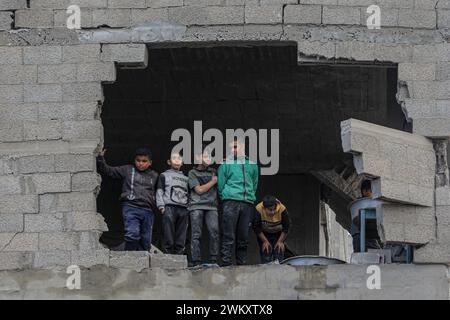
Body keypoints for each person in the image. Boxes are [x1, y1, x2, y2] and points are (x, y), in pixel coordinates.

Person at [96, 147, 158, 251]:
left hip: (148, 210)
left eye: (144, 161)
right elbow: (109, 171)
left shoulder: (155, 176)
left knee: (146, 240)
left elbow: (161, 192)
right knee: (132, 233)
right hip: (131, 207)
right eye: (138, 160)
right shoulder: (128, 170)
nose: (141, 163)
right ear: (134, 160)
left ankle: (143, 260)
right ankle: (131, 256)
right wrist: (100, 159)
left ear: (150, 162)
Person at [217, 139, 259, 266]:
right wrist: (226, 196)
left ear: (242, 147)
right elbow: (220, 185)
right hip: (230, 202)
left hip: (247, 203)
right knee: (228, 235)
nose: (232, 150)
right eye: (231, 148)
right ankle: (226, 264)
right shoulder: (226, 164)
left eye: (235, 147)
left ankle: (242, 264)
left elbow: (254, 183)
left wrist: (249, 196)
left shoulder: (252, 164)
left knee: (243, 237)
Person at [188, 146, 219, 267]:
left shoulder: (213, 171)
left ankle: (214, 260)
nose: (208, 158)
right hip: (196, 206)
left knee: (214, 232)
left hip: (211, 206)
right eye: (205, 156)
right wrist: (212, 182)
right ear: (197, 158)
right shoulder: (192, 172)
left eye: (209, 156)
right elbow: (199, 190)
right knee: (196, 234)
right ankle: (196, 261)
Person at [156, 152, 189, 255]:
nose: (177, 160)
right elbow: (159, 191)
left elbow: (190, 194)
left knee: (181, 234)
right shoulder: (164, 175)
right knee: (168, 234)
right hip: (169, 207)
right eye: (174, 158)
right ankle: (167, 256)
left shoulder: (186, 178)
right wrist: (161, 206)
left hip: (183, 208)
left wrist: (189, 207)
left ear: (182, 162)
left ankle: (179, 256)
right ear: (169, 162)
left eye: (179, 158)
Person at [253, 195, 290, 264]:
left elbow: (286, 227)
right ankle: (266, 271)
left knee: (279, 250)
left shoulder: (282, 209)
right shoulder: (258, 209)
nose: (273, 212)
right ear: (264, 208)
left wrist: (280, 241)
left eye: (274, 209)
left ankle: (279, 270)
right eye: (270, 210)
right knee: (266, 251)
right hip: (264, 234)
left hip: (279, 234)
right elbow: (256, 227)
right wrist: (265, 241)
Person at [350, 179, 383, 252]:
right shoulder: (361, 203)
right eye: (372, 191)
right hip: (359, 234)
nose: (374, 194)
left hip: (367, 236)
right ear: (364, 191)